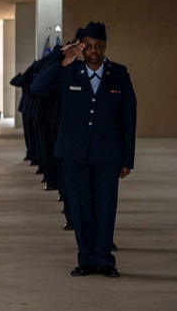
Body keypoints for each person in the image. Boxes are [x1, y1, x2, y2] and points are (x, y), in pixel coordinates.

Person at [30, 22, 136, 278]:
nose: (94, 51)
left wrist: (127, 159)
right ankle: (86, 259)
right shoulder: (68, 72)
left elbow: (128, 119)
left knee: (105, 207)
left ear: (105, 47)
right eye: (88, 46)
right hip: (73, 153)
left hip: (107, 154)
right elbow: (36, 87)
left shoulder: (119, 75)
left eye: (99, 46)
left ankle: (105, 260)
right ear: (81, 48)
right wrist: (60, 59)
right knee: (80, 207)